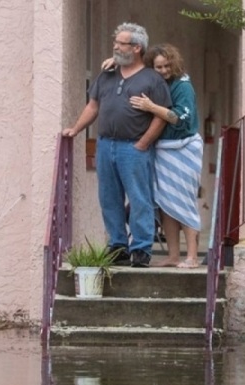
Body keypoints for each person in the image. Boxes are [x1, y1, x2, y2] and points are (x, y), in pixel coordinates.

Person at [63, 23, 171, 268]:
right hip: (105, 145)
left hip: (134, 147)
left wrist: (143, 143)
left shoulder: (152, 79)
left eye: (121, 43)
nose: (115, 46)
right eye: (116, 42)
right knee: (108, 197)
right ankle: (118, 244)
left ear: (136, 48)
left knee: (139, 197)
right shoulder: (107, 74)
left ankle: (141, 248)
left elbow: (161, 116)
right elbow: (93, 106)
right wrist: (76, 129)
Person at [104, 43, 203, 268]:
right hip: (162, 149)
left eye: (167, 66)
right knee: (166, 202)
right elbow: (132, 62)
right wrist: (116, 62)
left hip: (183, 148)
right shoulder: (156, 82)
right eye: (158, 67)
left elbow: (181, 119)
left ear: (174, 63)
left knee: (184, 201)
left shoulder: (183, 85)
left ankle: (193, 257)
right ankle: (174, 255)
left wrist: (151, 107)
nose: (164, 70)